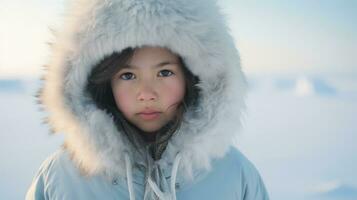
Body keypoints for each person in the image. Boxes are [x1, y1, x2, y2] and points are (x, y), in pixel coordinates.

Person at [26, 0, 269, 199]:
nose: (147, 93)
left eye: (165, 72)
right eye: (128, 75)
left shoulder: (233, 174)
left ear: (193, 78)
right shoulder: (61, 176)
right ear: (102, 82)